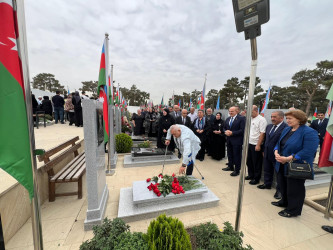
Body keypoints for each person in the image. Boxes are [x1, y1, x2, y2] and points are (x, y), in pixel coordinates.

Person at [273, 110, 319, 218]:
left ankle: (293, 210)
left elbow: (308, 150)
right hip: (282, 163)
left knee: (295, 188)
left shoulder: (309, 132)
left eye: (290, 118)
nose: (287, 120)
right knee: (283, 184)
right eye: (287, 118)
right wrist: (276, 151)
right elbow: (279, 143)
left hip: (296, 165)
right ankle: (284, 201)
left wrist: (289, 158)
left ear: (299, 119)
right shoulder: (287, 129)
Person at [258, 111, 287, 200]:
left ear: (281, 118)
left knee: (278, 174)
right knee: (267, 169)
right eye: (271, 116)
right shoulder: (269, 126)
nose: (272, 118)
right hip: (267, 152)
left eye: (275, 117)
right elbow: (266, 139)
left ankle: (279, 191)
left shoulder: (286, 128)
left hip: (278, 155)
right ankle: (267, 184)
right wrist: (263, 149)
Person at [246, 105, 267, 185]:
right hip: (249, 143)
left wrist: (258, 145)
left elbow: (262, 133)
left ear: (256, 111)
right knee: (249, 161)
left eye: (251, 112)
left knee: (256, 162)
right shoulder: (250, 119)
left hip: (256, 144)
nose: (250, 114)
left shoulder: (261, 120)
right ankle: (251, 175)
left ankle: (256, 178)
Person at [223, 106, 246, 176]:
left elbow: (242, 130)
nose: (230, 112)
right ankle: (230, 166)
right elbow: (224, 127)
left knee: (237, 156)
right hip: (229, 140)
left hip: (237, 141)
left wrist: (232, 133)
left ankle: (237, 170)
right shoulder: (228, 119)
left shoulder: (241, 118)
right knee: (229, 154)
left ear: (237, 111)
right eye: (229, 111)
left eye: (232, 111)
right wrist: (225, 131)